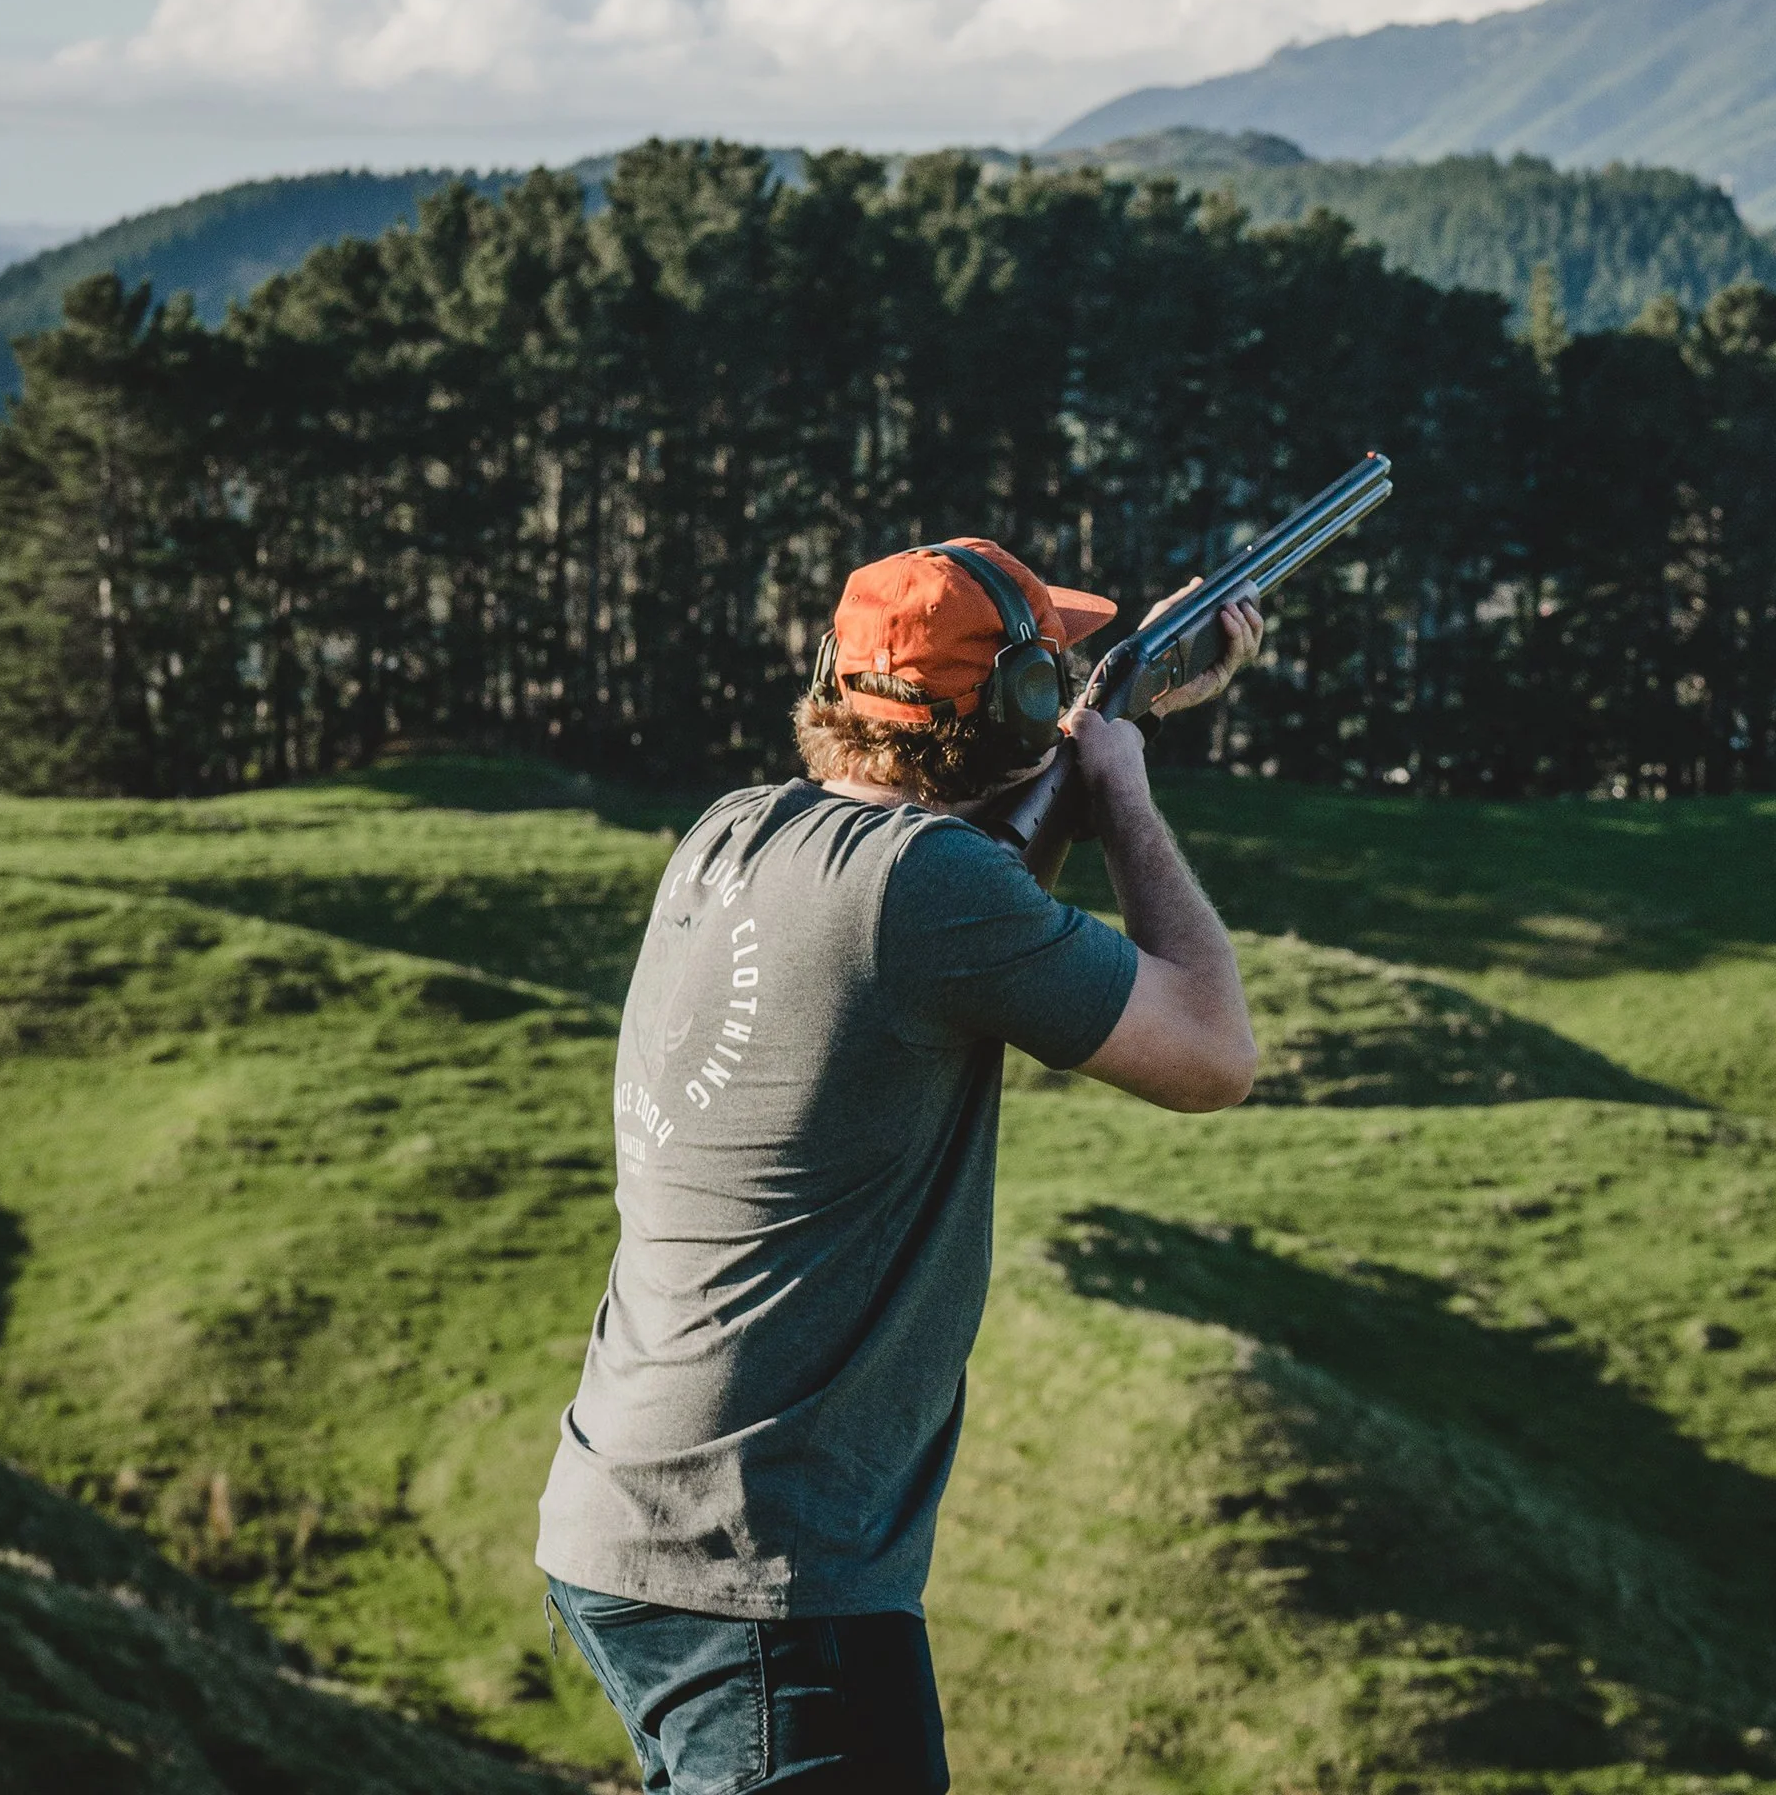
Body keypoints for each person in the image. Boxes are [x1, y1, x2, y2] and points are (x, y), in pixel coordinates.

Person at [536, 537, 1264, 1793]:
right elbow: (1210, 1052)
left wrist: (1094, 745)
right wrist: (1124, 789)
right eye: (1062, 668)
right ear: (1027, 705)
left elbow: (957, 923)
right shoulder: (922, 893)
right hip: (764, 1573)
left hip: (628, 1527)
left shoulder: (733, 834)